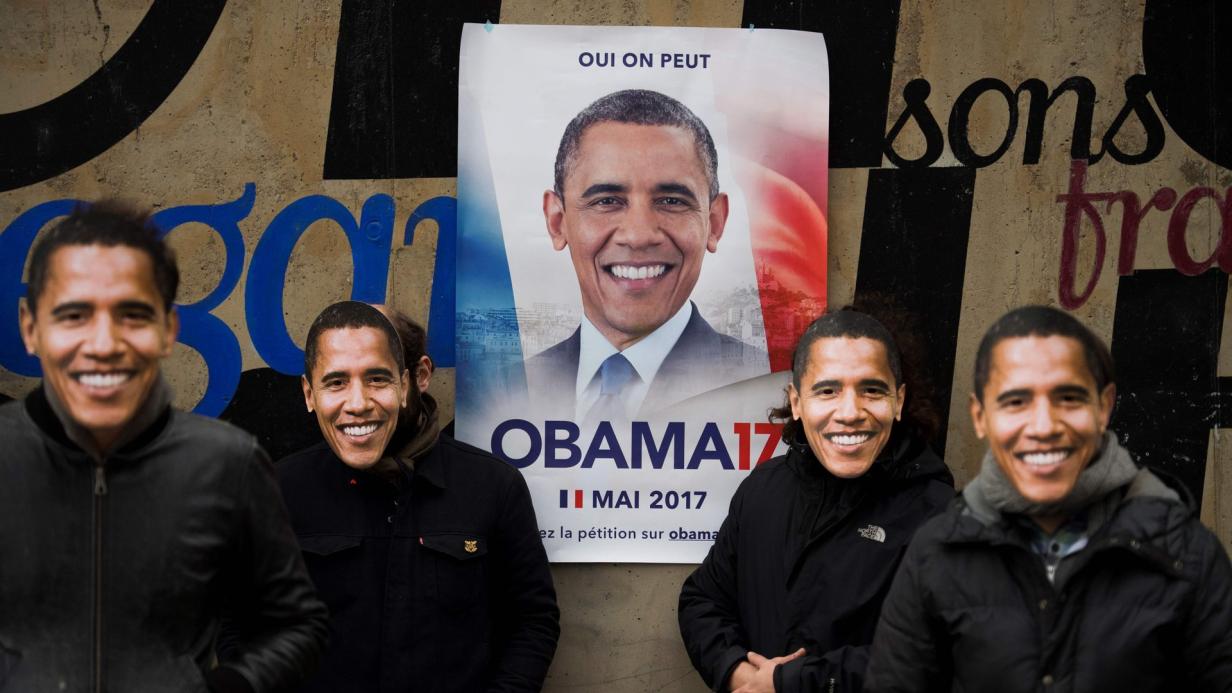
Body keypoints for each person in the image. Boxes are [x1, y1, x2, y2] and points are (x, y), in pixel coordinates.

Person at [0, 201, 328, 692]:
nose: (104, 343)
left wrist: (230, 688)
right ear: (30, 327)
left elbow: (298, 625)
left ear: (168, 329)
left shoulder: (226, 464)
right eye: (73, 315)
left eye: (133, 315)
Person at [865, 305, 1232, 692]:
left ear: (1104, 407)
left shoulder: (1185, 552)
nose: (1043, 427)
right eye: (1015, 402)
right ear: (980, 416)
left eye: (1069, 399)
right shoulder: (937, 553)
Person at [278, 301, 560, 692]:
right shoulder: (279, 491)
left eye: (377, 378)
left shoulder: (493, 487)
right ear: (310, 393)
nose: (357, 404)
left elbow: (532, 620)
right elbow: (242, 624)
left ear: (412, 379)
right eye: (336, 382)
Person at [679, 308, 955, 693]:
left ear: (899, 400)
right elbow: (703, 599)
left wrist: (787, 683)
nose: (849, 413)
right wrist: (736, 672)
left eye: (872, 390)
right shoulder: (762, 490)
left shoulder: (940, 517)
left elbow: (937, 654)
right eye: (827, 390)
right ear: (796, 401)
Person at [528, 88, 766, 421]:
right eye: (606, 201)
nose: (639, 236)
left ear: (714, 223)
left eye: (671, 201)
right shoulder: (502, 391)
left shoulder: (767, 389)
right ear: (557, 222)